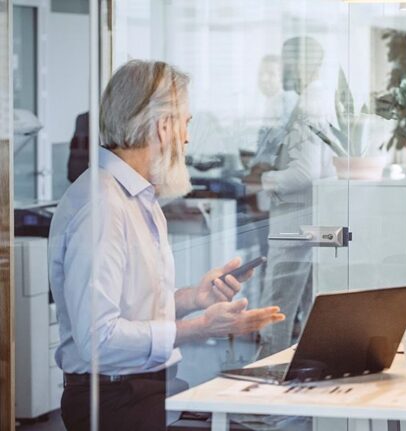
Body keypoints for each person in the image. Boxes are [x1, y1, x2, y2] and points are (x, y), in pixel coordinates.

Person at [48, 60, 285, 431]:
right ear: (163, 127)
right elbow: (100, 337)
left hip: (143, 395)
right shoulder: (104, 206)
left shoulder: (138, 197)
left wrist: (194, 299)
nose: (187, 138)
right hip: (113, 405)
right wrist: (198, 329)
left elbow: (131, 305)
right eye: (186, 123)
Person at [251, 36, 336, 357]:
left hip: (295, 224)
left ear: (303, 65)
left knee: (274, 310)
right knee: (302, 308)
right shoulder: (319, 98)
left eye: (288, 62)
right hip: (309, 222)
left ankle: (261, 391)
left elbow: (305, 173)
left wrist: (264, 179)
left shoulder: (310, 103)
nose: (283, 68)